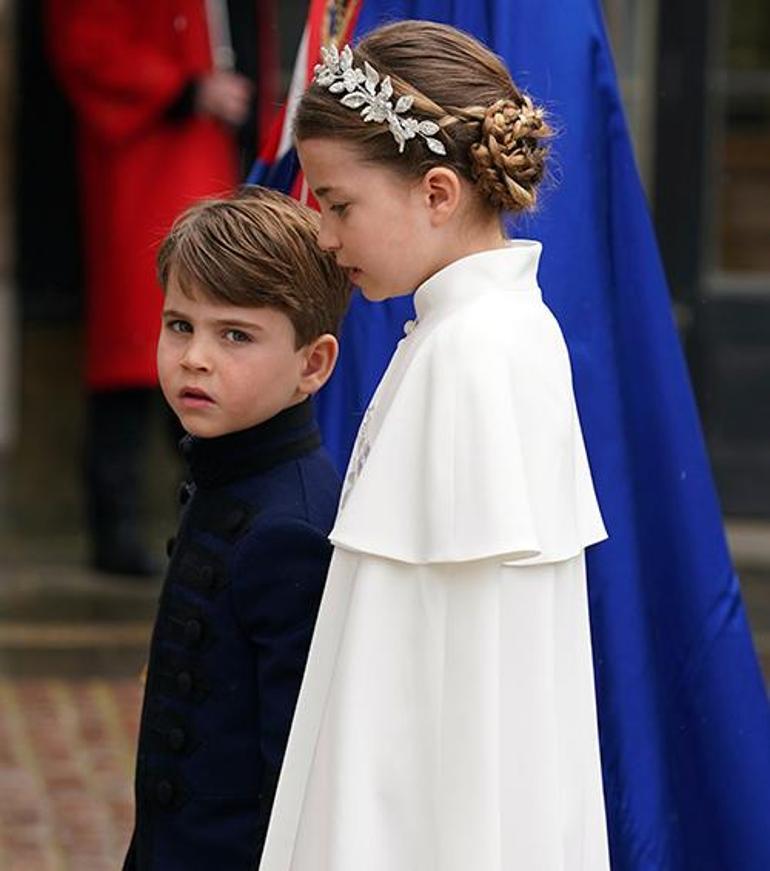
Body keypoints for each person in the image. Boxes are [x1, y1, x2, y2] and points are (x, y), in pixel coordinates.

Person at [259, 21, 610, 871]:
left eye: (338, 204)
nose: (325, 236)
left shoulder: (466, 352)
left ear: (439, 192)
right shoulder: (497, 329)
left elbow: (413, 677)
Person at [122, 187, 351, 870]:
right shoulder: (224, 475)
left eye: (235, 335)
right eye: (179, 325)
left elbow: (294, 767)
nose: (194, 356)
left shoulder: (291, 527)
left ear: (312, 364)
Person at [45, 0, 271, 575]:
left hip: (206, 152)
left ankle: (211, 520)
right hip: (151, 157)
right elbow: (87, 45)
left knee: (199, 339)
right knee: (138, 351)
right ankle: (119, 527)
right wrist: (185, 89)